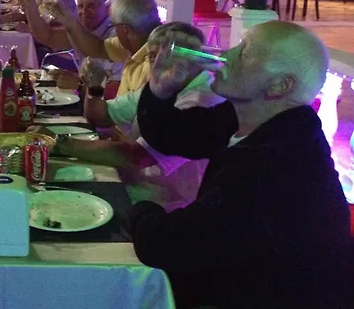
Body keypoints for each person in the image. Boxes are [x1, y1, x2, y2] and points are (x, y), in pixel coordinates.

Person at [129, 21, 352, 308]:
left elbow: (166, 245)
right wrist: (161, 90)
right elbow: (172, 133)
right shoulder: (258, 120)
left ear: (280, 85)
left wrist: (134, 208)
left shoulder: (277, 165)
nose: (226, 55)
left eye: (244, 52)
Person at [68, 22, 220, 209]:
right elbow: (99, 116)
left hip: (163, 210)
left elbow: (136, 158)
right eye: (152, 56)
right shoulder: (163, 86)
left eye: (164, 56)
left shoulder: (202, 102)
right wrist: (95, 85)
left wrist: (58, 144)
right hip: (130, 188)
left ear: (188, 59)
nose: (155, 64)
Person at [52, 0, 161, 96]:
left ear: (126, 30)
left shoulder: (152, 67)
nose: (113, 30)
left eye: (113, 25)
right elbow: (98, 48)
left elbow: (118, 103)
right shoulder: (137, 42)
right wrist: (70, 21)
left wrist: (82, 86)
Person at [22, 0, 121, 93]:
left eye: (91, 6)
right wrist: (29, 5)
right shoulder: (84, 29)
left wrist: (79, 84)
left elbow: (116, 92)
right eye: (80, 6)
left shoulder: (117, 36)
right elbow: (46, 36)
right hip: (85, 96)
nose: (84, 11)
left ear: (108, 9)